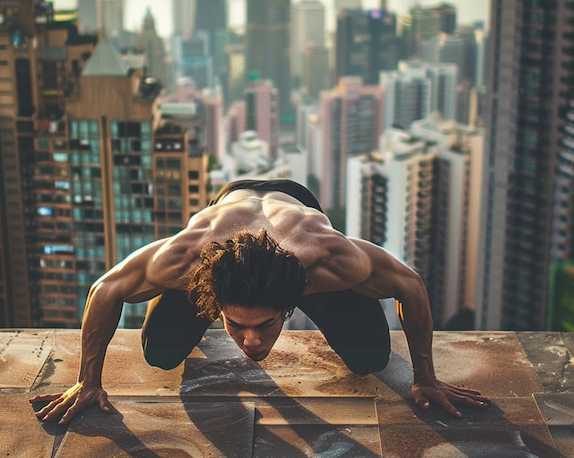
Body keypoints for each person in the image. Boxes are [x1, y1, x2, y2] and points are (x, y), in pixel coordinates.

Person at [30, 179, 489, 425]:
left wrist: (426, 376)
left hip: (297, 209)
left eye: (265, 326)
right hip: (226, 210)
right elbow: (104, 290)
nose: (249, 343)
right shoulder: (185, 260)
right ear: (213, 299)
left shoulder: (330, 261)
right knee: (160, 353)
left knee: (371, 358)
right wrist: (87, 382)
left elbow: (409, 283)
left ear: (291, 304)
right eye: (235, 325)